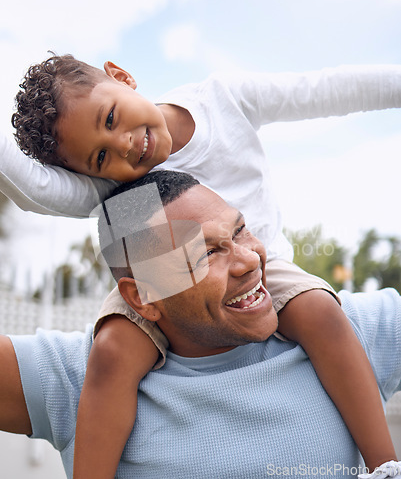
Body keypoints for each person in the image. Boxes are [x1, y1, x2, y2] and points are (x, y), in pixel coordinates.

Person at [6, 55, 401, 478]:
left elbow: (326, 88)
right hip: (161, 275)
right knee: (113, 352)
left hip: (263, 258)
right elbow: (34, 189)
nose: (122, 144)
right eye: (101, 156)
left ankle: (384, 465)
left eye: (112, 117)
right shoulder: (112, 185)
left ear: (123, 76)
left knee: (322, 311)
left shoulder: (223, 102)